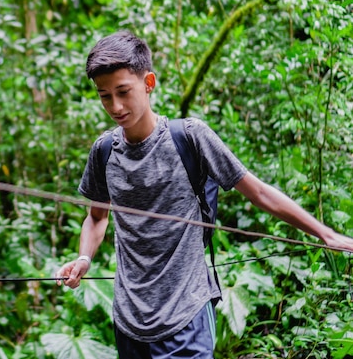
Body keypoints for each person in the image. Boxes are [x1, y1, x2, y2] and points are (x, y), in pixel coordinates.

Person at [55, 31, 353, 359]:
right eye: (105, 96)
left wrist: (324, 233)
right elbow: (97, 217)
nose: (116, 106)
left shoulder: (190, 138)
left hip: (187, 317)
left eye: (123, 92)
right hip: (128, 322)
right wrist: (84, 258)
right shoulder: (104, 152)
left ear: (149, 82)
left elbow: (258, 193)